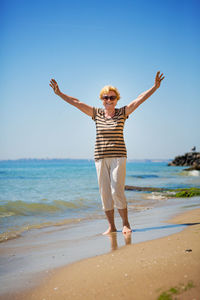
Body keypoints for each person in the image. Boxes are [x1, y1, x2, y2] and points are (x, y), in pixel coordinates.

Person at [49, 71, 165, 235]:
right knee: (105, 193)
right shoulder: (96, 114)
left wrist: (155, 87)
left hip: (118, 157)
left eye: (112, 97)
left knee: (117, 190)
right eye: (105, 97)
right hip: (100, 157)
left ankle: (126, 223)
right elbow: (76, 102)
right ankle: (111, 226)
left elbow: (139, 99)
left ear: (117, 99)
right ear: (101, 100)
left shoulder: (123, 112)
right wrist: (60, 93)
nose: (109, 100)